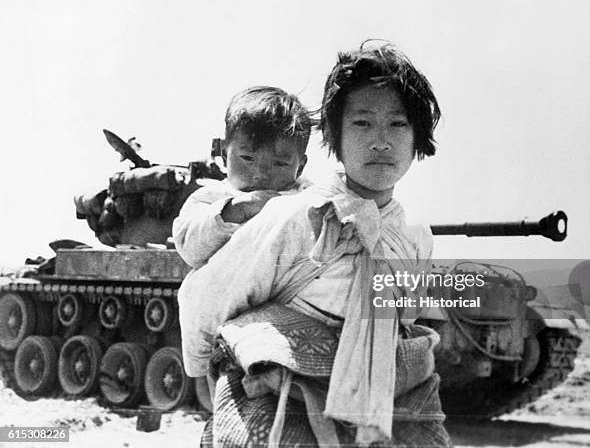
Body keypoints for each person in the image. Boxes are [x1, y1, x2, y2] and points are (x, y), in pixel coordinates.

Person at [180, 41, 450, 447]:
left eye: (397, 124)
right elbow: (209, 293)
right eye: (361, 124)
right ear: (335, 138)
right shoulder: (294, 215)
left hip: (383, 403)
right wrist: (203, 371)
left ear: (418, 139)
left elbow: (404, 318)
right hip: (283, 396)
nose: (380, 141)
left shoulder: (414, 239)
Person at [173, 85, 312, 271]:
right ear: (224, 153)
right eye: (248, 158)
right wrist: (235, 210)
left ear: (300, 167)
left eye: (279, 164)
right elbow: (188, 247)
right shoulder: (211, 199)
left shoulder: (306, 201)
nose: (261, 175)